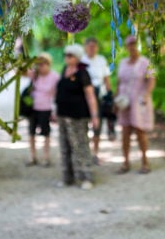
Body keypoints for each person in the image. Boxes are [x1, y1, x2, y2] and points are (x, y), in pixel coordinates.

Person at [54, 43, 100, 189]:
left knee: (80, 145)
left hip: (78, 116)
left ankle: (87, 177)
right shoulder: (64, 70)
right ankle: (68, 177)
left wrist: (95, 115)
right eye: (66, 55)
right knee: (64, 146)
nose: (67, 58)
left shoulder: (83, 73)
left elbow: (90, 95)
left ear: (77, 57)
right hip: (63, 115)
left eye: (70, 55)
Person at [115, 34, 156, 174]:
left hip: (139, 101)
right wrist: (116, 100)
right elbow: (119, 82)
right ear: (127, 47)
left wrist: (146, 94)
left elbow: (152, 80)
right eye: (129, 44)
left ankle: (145, 162)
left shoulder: (145, 62)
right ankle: (125, 162)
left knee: (140, 131)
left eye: (134, 44)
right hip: (124, 101)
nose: (132, 47)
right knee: (125, 132)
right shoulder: (123, 62)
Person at [82, 37, 116, 156]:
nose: (92, 48)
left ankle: (95, 153)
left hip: (100, 95)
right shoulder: (81, 61)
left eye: (94, 46)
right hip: (85, 97)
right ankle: (85, 151)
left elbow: (106, 78)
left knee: (98, 123)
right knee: (84, 124)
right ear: (85, 47)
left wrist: (109, 93)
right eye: (90, 46)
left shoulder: (101, 60)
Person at [26, 53, 59, 167]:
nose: (41, 67)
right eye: (38, 64)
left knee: (46, 133)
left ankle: (46, 157)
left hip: (46, 108)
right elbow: (19, 71)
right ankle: (32, 156)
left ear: (48, 64)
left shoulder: (54, 76)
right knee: (31, 132)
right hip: (33, 107)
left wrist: (55, 110)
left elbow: (57, 94)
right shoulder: (34, 75)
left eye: (43, 64)